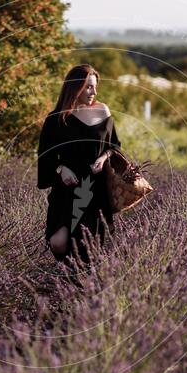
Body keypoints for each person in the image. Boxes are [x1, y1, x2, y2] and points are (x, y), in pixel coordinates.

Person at [37, 63, 122, 264]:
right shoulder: (56, 119)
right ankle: (70, 277)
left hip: (96, 188)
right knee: (58, 242)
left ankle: (79, 288)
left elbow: (114, 146)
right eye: (88, 87)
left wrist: (102, 159)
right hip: (67, 189)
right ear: (75, 87)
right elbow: (45, 155)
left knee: (88, 247)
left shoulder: (103, 111)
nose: (94, 91)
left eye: (94, 86)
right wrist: (61, 169)